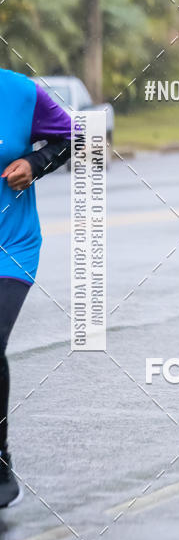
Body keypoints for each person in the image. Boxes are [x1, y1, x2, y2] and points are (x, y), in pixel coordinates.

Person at [0, 69, 72, 508]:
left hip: (11, 245)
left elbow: (74, 137)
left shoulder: (22, 94)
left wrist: (36, 163)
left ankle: (0, 459)